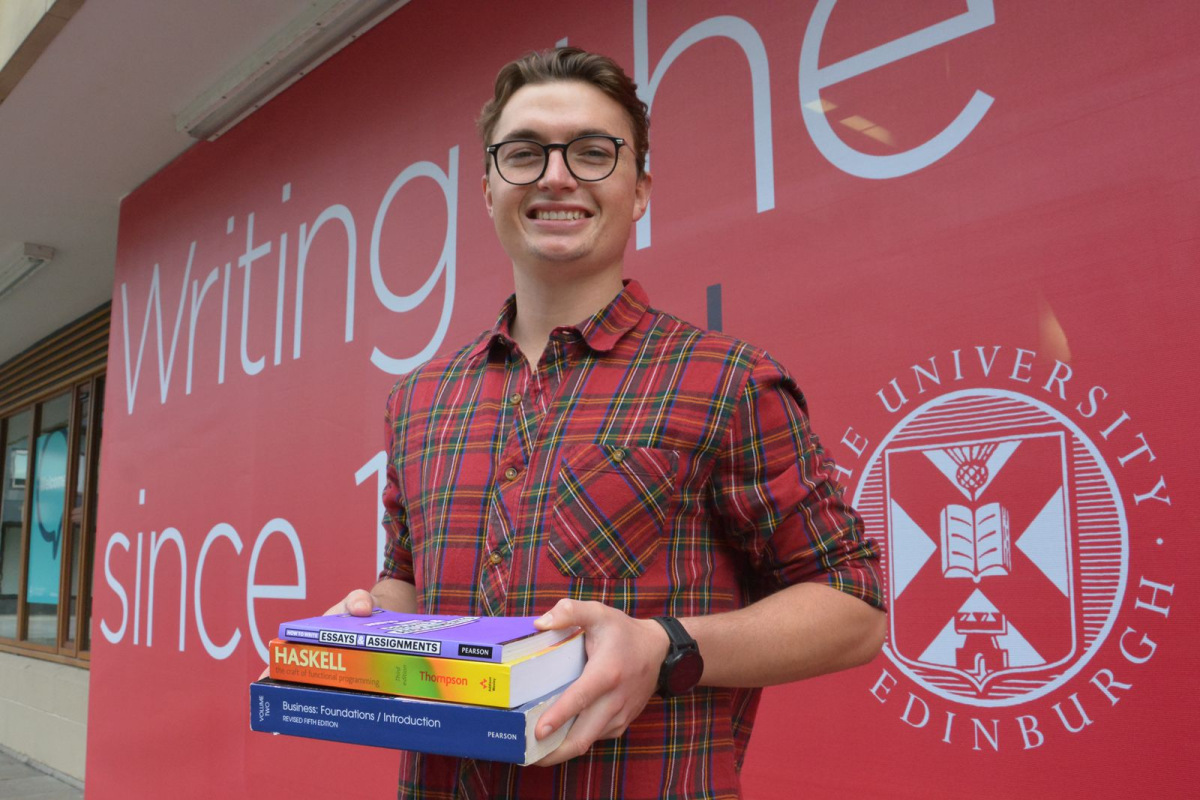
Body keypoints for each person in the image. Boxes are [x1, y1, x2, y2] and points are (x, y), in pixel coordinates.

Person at [329, 46, 886, 798]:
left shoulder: (725, 380)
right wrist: (366, 630)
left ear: (640, 188)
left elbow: (853, 606)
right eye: (524, 153)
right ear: (488, 185)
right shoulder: (418, 402)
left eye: (592, 153)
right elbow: (406, 583)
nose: (556, 176)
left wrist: (665, 645)